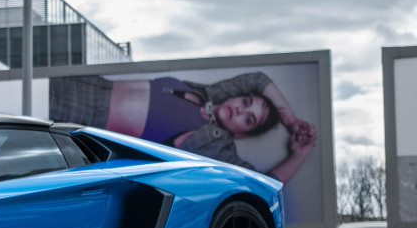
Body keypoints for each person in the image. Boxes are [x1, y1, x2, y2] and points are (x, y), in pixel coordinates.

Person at [49, 72, 317, 184]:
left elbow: (260, 182)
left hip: (79, 119)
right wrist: (291, 120)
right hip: (83, 85)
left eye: (249, 119)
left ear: (241, 133)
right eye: (246, 102)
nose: (241, 109)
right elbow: (258, 79)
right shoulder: (207, 94)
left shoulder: (216, 145)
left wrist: (299, 154)